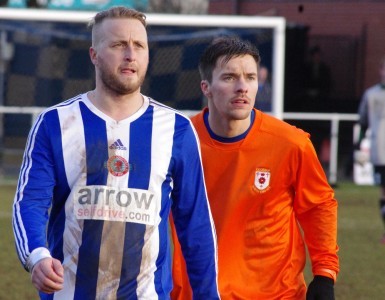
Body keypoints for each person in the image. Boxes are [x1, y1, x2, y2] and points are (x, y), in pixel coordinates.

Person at [12, 6, 219, 299]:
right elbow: (29, 203)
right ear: (94, 55)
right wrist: (37, 256)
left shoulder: (177, 129)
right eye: (119, 44)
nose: (130, 54)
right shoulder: (55, 123)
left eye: (139, 46)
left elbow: (195, 225)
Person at [171, 36, 339, 300]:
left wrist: (324, 273)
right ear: (206, 87)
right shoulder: (177, 143)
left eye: (250, 77)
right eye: (229, 78)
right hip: (198, 293)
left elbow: (319, 206)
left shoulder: (291, 144)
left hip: (276, 293)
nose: (242, 87)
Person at [356, 55, 385, 243]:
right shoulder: (371, 94)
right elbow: (363, 121)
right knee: (383, 191)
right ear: (381, 71)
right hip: (380, 151)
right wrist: (358, 144)